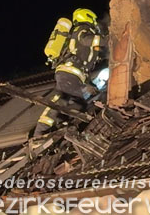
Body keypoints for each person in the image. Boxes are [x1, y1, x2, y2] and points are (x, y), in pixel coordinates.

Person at [35, 8, 105, 136]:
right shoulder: (82, 29)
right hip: (70, 72)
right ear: (88, 17)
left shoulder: (80, 35)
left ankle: (62, 124)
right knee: (65, 99)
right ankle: (40, 133)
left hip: (73, 74)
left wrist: (90, 85)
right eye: (94, 20)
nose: (96, 24)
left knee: (74, 101)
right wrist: (111, 39)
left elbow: (86, 63)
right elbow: (89, 40)